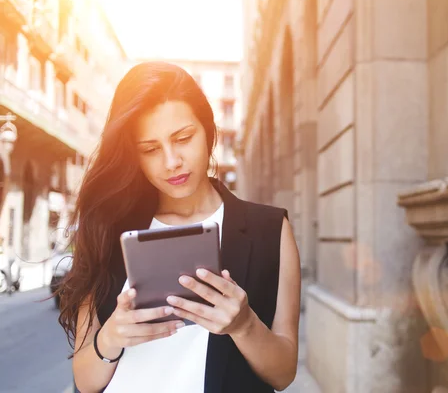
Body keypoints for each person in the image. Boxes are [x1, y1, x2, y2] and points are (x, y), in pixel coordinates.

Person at [56, 62, 301, 392]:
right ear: (134, 154)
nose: (171, 161)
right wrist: (112, 336)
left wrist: (244, 325)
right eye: (151, 149)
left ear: (208, 131)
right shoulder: (107, 229)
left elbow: (283, 373)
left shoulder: (269, 230)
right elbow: (86, 383)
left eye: (183, 138)